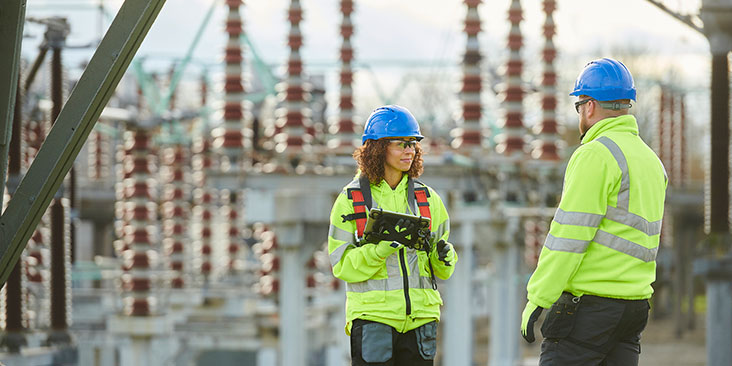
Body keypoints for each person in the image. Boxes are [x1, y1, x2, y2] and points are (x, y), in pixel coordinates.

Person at [520, 57, 667, 365]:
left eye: (579, 105)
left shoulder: (595, 154)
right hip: (634, 307)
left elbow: (568, 237)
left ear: (588, 106)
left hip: (589, 311)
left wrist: (538, 297)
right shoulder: (651, 162)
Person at [328, 105, 458, 366]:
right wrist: (379, 251)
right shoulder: (351, 200)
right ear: (377, 148)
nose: (409, 150)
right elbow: (341, 265)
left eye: (412, 144)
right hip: (373, 319)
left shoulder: (429, 199)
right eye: (400, 144)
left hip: (421, 320)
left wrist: (445, 256)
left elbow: (443, 270)